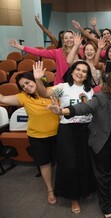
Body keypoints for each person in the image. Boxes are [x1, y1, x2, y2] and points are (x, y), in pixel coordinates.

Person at [48, 71, 111, 218]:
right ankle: (107, 208)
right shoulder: (101, 98)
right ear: (109, 85)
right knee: (103, 175)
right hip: (101, 141)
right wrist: (63, 111)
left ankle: (109, 191)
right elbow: (84, 107)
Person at [33, 61, 95, 214]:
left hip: (86, 129)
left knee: (84, 162)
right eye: (78, 69)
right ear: (72, 71)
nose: (80, 73)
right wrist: (38, 79)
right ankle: (73, 199)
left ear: (87, 75)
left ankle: (84, 190)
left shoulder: (90, 90)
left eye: (84, 71)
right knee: (71, 164)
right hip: (67, 129)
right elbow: (44, 93)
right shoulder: (64, 88)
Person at [0, 72, 60, 205]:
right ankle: (50, 189)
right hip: (37, 136)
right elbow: (3, 99)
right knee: (44, 163)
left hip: (58, 134)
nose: (26, 87)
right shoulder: (23, 97)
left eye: (27, 82)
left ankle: (64, 186)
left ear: (35, 79)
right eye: (23, 86)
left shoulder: (51, 91)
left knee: (63, 162)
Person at [8, 31, 78, 85]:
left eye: (71, 37)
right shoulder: (58, 52)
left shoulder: (81, 51)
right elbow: (38, 52)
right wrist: (18, 46)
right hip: (61, 84)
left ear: (75, 39)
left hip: (78, 82)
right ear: (63, 41)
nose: (68, 40)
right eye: (66, 38)